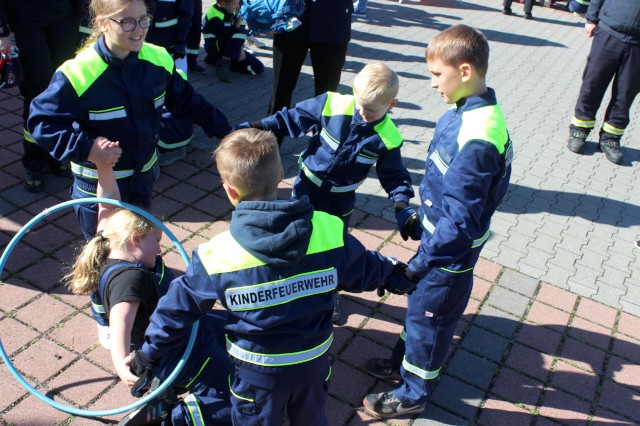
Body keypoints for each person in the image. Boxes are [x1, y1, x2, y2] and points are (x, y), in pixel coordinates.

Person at [127, 128, 417, 425]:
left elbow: (175, 311)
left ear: (229, 190)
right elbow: (368, 268)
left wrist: (147, 355)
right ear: (281, 173)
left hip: (256, 375)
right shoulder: (328, 231)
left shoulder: (217, 256)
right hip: (312, 365)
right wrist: (399, 275)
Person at [362, 25, 513, 418]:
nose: (431, 84)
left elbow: (460, 223)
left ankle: (413, 393)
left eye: (435, 74)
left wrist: (417, 267)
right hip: (437, 242)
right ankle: (401, 365)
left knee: (431, 320)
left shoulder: (478, 139)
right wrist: (418, 215)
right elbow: (445, 188)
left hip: (447, 256)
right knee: (419, 311)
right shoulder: (463, 111)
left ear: (464, 71)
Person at [27, 0, 231, 241]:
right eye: (127, 22)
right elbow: (41, 121)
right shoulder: (78, 73)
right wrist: (87, 149)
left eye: (144, 19)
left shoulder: (158, 59)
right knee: (103, 252)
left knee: (138, 242)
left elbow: (189, 102)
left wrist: (228, 133)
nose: (139, 29)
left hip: (142, 179)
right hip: (98, 190)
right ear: (103, 23)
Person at [242, 62, 419, 322]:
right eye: (360, 105)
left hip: (340, 200)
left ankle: (329, 291)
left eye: (370, 111)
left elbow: (394, 176)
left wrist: (402, 206)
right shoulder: (333, 104)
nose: (362, 113)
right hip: (305, 188)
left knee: (333, 246)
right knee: (295, 234)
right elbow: (291, 118)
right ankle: (286, 280)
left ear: (391, 106)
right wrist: (256, 125)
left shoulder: (388, 137)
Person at [65, 151, 232, 425]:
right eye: (156, 241)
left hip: (179, 328)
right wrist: (120, 364)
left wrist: (104, 167)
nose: (160, 248)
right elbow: (119, 321)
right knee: (225, 381)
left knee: (227, 325)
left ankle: (169, 389)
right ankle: (175, 417)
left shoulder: (107, 239)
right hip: (171, 347)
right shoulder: (132, 279)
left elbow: (107, 203)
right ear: (135, 240)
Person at [0, 0, 81, 193]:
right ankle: (34, 162)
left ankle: (57, 154)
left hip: (65, 17)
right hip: (28, 20)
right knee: (38, 91)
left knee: (63, 88)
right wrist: (2, 32)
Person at [565, 0, 640, 165]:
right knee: (593, 84)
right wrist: (591, 19)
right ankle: (579, 130)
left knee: (626, 93)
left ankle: (610, 139)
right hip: (609, 30)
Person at [268, 0, 351, 142]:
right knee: (281, 91)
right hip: (290, 18)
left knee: (327, 96)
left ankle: (322, 151)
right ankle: (269, 149)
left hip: (332, 23)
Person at [202, 0, 264, 82]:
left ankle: (214, 60)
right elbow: (230, 35)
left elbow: (238, 30)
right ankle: (223, 64)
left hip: (229, 47)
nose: (238, 6)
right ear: (223, 3)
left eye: (238, 3)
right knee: (240, 33)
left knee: (258, 68)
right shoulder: (214, 16)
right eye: (235, 3)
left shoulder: (229, 8)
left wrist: (240, 47)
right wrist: (240, 49)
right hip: (215, 47)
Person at [146, 0, 196, 73]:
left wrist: (180, 42)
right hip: (149, 42)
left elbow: (186, 15)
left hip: (172, 43)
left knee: (179, 77)